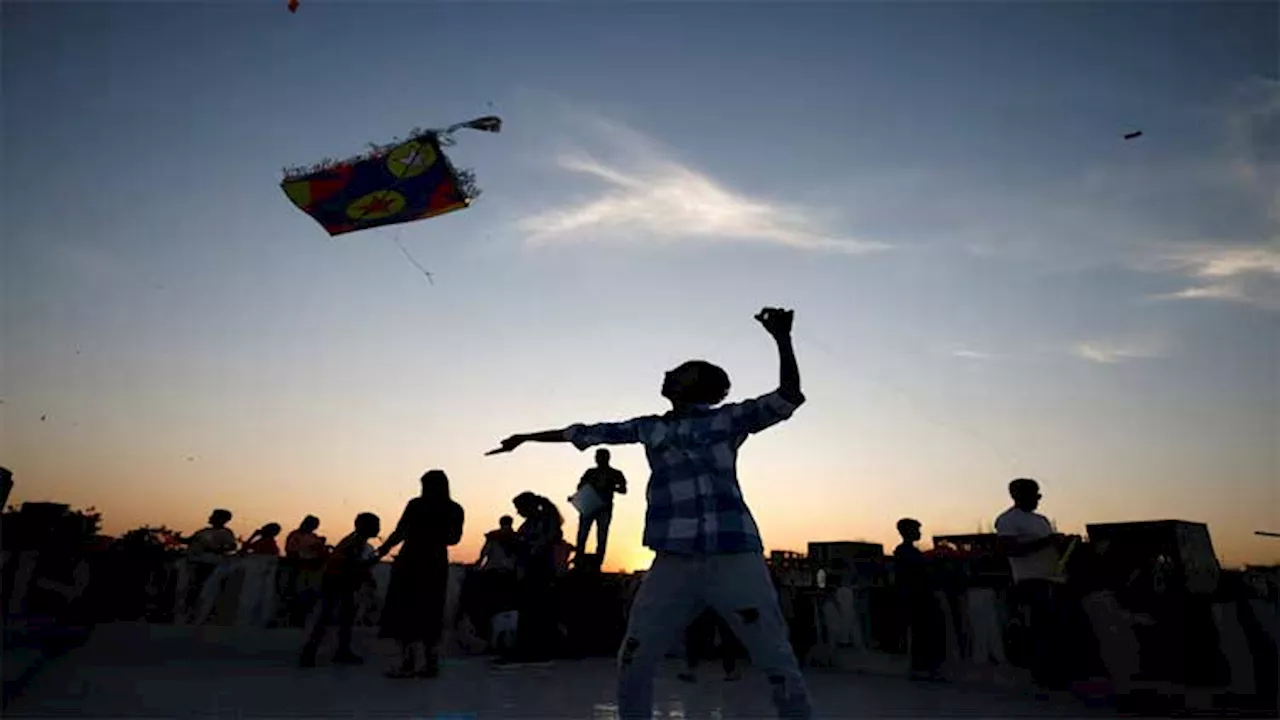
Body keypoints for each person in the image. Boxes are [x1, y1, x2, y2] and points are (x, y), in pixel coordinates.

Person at [487, 307, 813, 719]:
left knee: (776, 659)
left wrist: (782, 338)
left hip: (734, 557)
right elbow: (585, 432)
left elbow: (788, 397)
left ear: (698, 386)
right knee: (635, 656)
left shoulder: (729, 420)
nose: (668, 374)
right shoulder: (649, 428)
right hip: (673, 562)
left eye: (680, 371)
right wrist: (526, 438)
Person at [376, 470, 465, 679]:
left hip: (412, 560)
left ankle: (409, 662)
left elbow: (400, 531)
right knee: (430, 610)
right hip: (435, 563)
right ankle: (430, 662)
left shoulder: (416, 505)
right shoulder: (454, 509)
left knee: (406, 610)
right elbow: (454, 539)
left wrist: (382, 549)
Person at [995, 478, 1074, 689]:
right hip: (1030, 581)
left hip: (1054, 578)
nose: (1038, 500)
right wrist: (1047, 542)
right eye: (1034, 495)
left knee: (1057, 628)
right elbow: (1010, 550)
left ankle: (1058, 671)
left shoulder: (1041, 520)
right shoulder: (1007, 520)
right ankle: (1042, 674)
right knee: (1040, 628)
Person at [299, 512, 381, 667]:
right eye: (375, 525)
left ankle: (338, 650)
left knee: (343, 617)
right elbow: (351, 564)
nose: (378, 529)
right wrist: (372, 563)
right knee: (329, 617)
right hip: (337, 582)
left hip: (340, 582)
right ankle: (312, 652)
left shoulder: (355, 540)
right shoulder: (355, 542)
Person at [494, 492, 565, 665]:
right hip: (529, 572)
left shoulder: (544, 522)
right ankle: (527, 648)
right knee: (528, 612)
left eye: (520, 509)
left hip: (540, 572)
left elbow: (548, 538)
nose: (518, 513)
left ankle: (537, 649)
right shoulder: (528, 525)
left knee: (537, 611)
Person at [893, 518, 945, 681]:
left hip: (918, 596)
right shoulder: (906, 553)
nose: (919, 533)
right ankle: (922, 667)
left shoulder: (908, 552)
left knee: (922, 632)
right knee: (922, 632)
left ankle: (923, 666)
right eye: (916, 530)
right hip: (918, 597)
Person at [181, 509, 238, 623]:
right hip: (194, 562)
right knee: (190, 588)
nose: (210, 517)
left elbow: (232, 547)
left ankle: (199, 615)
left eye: (214, 516)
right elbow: (190, 541)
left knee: (203, 589)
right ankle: (188, 613)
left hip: (210, 564)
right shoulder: (203, 531)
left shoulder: (226, 533)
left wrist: (216, 549)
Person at [573, 448, 627, 565]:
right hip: (589, 505)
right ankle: (579, 559)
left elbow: (623, 489)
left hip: (604, 507)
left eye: (601, 457)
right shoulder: (590, 472)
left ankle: (597, 562)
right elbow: (580, 486)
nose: (598, 459)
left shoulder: (615, 473)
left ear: (607, 458)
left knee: (601, 536)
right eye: (597, 457)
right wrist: (590, 484)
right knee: (582, 534)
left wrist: (610, 486)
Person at [678, 608, 743, 683]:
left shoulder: (706, 621)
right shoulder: (705, 622)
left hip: (710, 645)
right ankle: (730, 673)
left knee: (726, 644)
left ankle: (692, 673)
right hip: (709, 645)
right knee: (693, 642)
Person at [283, 516, 327, 627]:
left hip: (315, 570)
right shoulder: (295, 536)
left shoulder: (313, 537)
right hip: (300, 569)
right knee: (299, 595)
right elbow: (291, 552)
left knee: (312, 596)